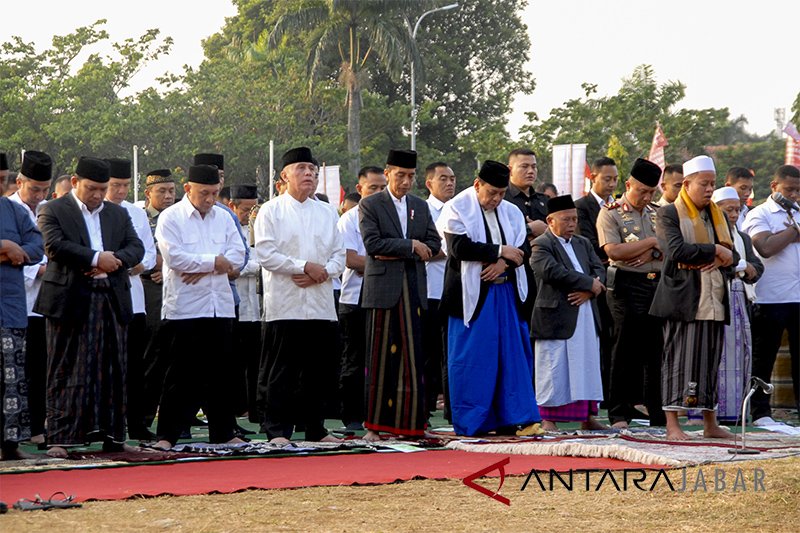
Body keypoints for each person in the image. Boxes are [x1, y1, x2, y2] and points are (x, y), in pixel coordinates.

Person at [35, 157, 145, 458]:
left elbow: (137, 248)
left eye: (102, 189)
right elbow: (54, 245)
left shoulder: (117, 214)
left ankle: (113, 436)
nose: (98, 195)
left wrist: (114, 261)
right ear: (74, 182)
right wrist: (97, 259)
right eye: (92, 188)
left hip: (110, 297)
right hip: (70, 300)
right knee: (66, 368)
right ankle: (60, 437)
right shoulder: (54, 209)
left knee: (113, 369)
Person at [439, 160, 542, 437]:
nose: (496, 199)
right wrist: (500, 251)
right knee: (474, 358)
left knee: (512, 356)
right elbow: (459, 248)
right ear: (477, 185)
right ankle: (475, 421)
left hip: (506, 292)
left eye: (501, 193)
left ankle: (518, 417)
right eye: (492, 193)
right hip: (472, 298)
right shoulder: (457, 207)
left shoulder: (511, 211)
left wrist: (502, 264)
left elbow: (522, 251)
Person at [151, 164, 246, 450]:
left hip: (220, 307)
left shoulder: (225, 218)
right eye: (204, 193)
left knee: (221, 374)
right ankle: (167, 435)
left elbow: (237, 256)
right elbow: (176, 258)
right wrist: (214, 263)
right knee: (181, 375)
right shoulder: (171, 218)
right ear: (188, 189)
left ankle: (223, 433)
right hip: (185, 309)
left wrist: (205, 265)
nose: (210, 199)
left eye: (215, 193)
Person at [254, 147, 345, 444]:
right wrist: (305, 266)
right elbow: (266, 254)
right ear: (285, 175)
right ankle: (277, 430)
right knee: (282, 370)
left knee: (317, 371)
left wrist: (323, 272)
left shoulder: (327, 211)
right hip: (285, 303)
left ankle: (315, 429)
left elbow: (339, 255)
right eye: (302, 168)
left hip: (319, 302)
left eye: (313, 170)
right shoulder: (271, 210)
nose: (309, 174)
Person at [649, 155, 737, 440]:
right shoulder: (668, 213)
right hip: (683, 299)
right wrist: (715, 251)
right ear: (686, 184)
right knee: (677, 361)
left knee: (710, 362)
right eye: (704, 184)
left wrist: (724, 255)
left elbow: (732, 255)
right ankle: (673, 426)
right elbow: (676, 251)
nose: (710, 189)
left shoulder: (718, 215)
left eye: (713, 184)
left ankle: (710, 424)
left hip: (714, 297)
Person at [360, 149, 441, 441]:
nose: (406, 182)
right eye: (400, 175)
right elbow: (373, 244)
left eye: (410, 176)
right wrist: (410, 247)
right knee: (381, 360)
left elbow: (434, 242)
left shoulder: (419, 206)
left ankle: (410, 424)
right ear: (387, 172)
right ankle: (375, 425)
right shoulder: (371, 205)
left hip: (414, 289)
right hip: (384, 292)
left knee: (413, 360)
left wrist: (409, 248)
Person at [596, 158, 666, 428]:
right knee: (624, 349)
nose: (646, 197)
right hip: (626, 286)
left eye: (651, 192)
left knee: (656, 351)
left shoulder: (657, 212)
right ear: (628, 185)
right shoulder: (611, 212)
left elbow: (670, 249)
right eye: (642, 191)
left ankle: (656, 411)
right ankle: (619, 412)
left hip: (656, 285)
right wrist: (651, 243)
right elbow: (614, 251)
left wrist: (649, 250)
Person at [531, 195, 607, 431]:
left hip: (585, 313)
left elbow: (599, 269)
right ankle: (548, 419)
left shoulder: (582, 243)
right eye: (566, 219)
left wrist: (592, 291)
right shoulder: (541, 244)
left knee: (586, 365)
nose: (572, 224)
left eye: (574, 218)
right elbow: (551, 271)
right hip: (556, 316)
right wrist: (589, 284)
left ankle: (587, 417)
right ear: (550, 221)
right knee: (554, 369)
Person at [697, 187, 763, 423]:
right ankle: (708, 415)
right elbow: (715, 263)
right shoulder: (706, 234)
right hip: (713, 298)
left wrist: (743, 268)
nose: (734, 214)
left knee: (739, 357)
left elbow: (757, 268)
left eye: (737, 209)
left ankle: (734, 413)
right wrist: (741, 265)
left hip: (739, 299)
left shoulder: (743, 237)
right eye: (729, 209)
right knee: (714, 354)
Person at [742, 165, 800, 425]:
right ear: (774, 186)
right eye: (790, 189)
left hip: (798, 296)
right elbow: (765, 247)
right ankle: (760, 413)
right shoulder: (760, 213)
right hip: (770, 297)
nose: (795, 194)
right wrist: (794, 232)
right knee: (764, 357)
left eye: (799, 190)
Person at [104, 158, 157, 440]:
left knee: (135, 366)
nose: (121, 191)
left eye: (125, 185)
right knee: (105, 366)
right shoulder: (95, 213)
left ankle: (137, 423)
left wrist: (140, 264)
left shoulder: (135, 214)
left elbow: (148, 252)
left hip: (134, 298)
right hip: (103, 298)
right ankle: (105, 423)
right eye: (116, 185)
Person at [336, 166, 387, 431]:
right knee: (354, 360)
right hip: (355, 298)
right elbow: (350, 259)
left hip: (385, 298)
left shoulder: (391, 216)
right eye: (373, 188)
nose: (379, 193)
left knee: (383, 360)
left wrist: (378, 261)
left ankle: (379, 413)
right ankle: (352, 416)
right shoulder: (349, 219)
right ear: (360, 189)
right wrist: (385, 260)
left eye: (383, 188)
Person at [8, 151, 52, 444]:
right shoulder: (8, 209)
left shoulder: (51, 210)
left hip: (43, 306)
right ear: (19, 182)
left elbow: (47, 247)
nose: (38, 195)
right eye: (34, 188)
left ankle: (37, 428)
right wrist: (36, 269)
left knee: (39, 370)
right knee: (13, 373)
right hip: (13, 303)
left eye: (44, 190)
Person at [0, 165, 44, 460]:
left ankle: (10, 444)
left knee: (12, 378)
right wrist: (4, 246)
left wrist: (17, 251)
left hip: (11, 306)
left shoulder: (13, 210)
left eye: (2, 180)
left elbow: (37, 246)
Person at [575, 157, 618, 402]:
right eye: (607, 179)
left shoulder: (620, 205)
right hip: (595, 278)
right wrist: (616, 250)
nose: (612, 184)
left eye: (614, 179)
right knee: (598, 338)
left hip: (620, 279)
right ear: (593, 178)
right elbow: (589, 246)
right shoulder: (581, 207)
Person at [139, 169, 177, 429]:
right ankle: (142, 418)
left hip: (180, 289)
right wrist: (157, 266)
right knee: (151, 356)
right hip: (148, 290)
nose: (167, 196)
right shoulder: (139, 218)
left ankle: (175, 420)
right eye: (161, 191)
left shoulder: (179, 217)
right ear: (148, 193)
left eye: (171, 191)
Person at [423, 161, 456, 418]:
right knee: (429, 354)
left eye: (452, 178)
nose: (449, 183)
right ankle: (425, 407)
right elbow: (427, 249)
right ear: (429, 183)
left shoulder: (461, 209)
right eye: (443, 178)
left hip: (455, 290)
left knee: (452, 352)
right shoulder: (422, 210)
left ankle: (452, 409)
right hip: (429, 290)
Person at [227, 184, 261, 424]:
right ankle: (237, 406)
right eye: (245, 209)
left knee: (257, 360)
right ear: (233, 206)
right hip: (236, 306)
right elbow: (236, 265)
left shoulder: (260, 229)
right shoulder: (229, 229)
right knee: (235, 362)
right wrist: (256, 266)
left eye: (253, 209)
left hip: (258, 309)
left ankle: (256, 407)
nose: (249, 215)